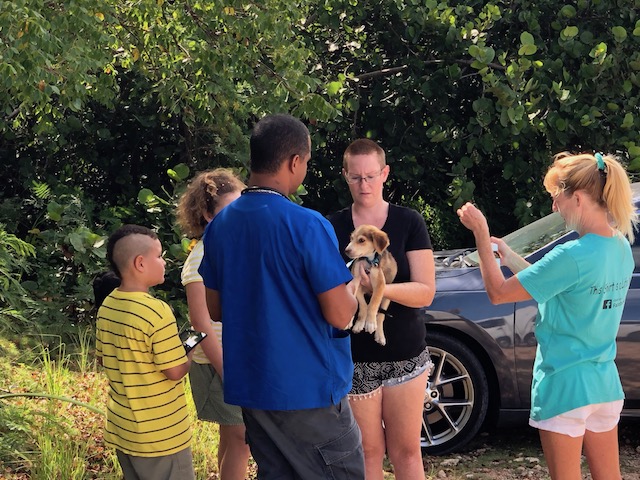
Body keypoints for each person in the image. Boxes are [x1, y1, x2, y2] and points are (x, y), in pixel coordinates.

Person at [198, 113, 365, 479]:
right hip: (309, 391)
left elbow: (215, 307)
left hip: (255, 388)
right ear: (294, 161)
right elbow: (340, 315)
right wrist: (353, 290)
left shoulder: (221, 226)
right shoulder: (307, 224)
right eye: (306, 162)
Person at [457, 152, 638, 480]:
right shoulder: (620, 247)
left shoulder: (572, 254)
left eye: (557, 198)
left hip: (564, 385)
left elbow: (498, 293)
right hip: (603, 386)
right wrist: (510, 256)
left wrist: (481, 237)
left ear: (579, 198)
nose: (555, 207)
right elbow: (557, 284)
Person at [328, 138, 436, 480]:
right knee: (366, 454)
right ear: (345, 176)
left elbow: (425, 292)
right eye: (356, 177)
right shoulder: (331, 226)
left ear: (385, 173)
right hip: (354, 358)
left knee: (407, 453)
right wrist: (351, 288)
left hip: (406, 355)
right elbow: (327, 299)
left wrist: (378, 287)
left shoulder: (409, 222)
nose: (364, 185)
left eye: (371, 176)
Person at [95, 224, 195, 480]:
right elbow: (174, 371)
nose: (164, 262)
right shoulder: (155, 311)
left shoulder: (108, 305)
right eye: (159, 256)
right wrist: (189, 354)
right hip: (161, 436)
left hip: (125, 431)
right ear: (140, 263)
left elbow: (102, 357)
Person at [175, 168, 251, 479]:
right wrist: (227, 371)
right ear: (207, 214)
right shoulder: (200, 258)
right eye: (228, 211)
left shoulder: (233, 251)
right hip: (217, 363)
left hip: (238, 359)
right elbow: (199, 322)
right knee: (242, 439)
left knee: (232, 439)